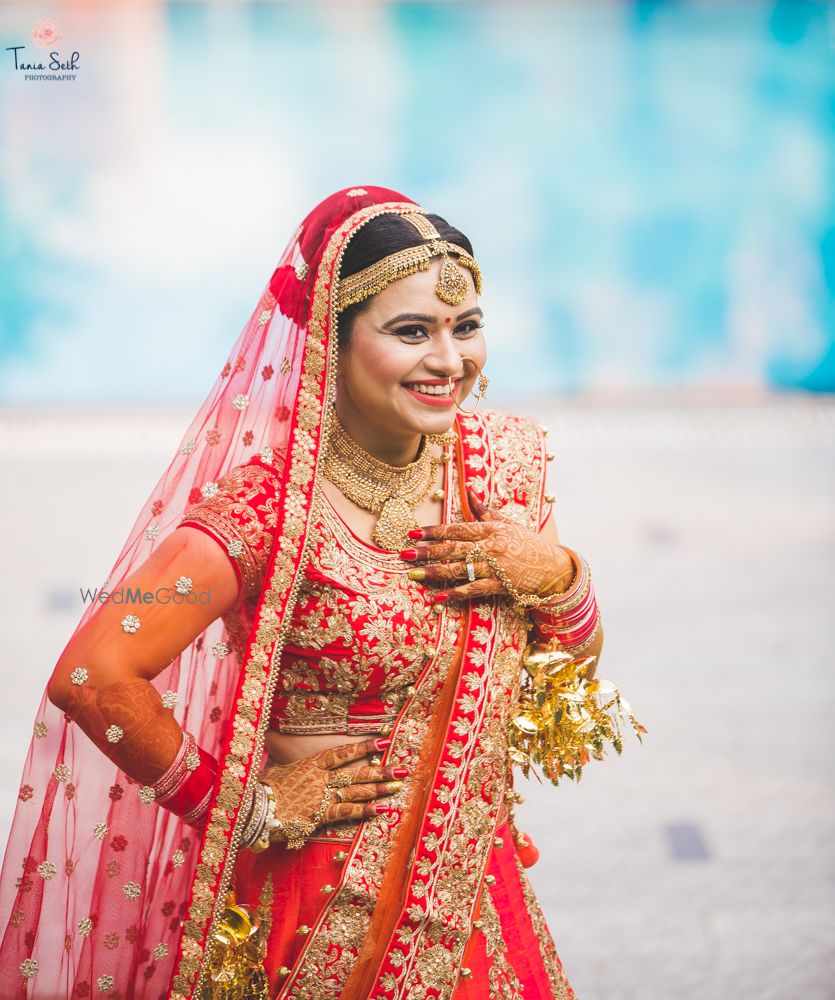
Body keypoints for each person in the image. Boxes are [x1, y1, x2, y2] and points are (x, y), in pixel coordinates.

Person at [0, 186, 602, 998]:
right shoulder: (266, 510)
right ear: (330, 338)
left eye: (465, 328)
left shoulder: (505, 470)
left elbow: (572, 660)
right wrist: (237, 805)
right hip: (315, 911)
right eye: (410, 331)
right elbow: (91, 674)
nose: (449, 361)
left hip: (473, 901)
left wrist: (561, 580)